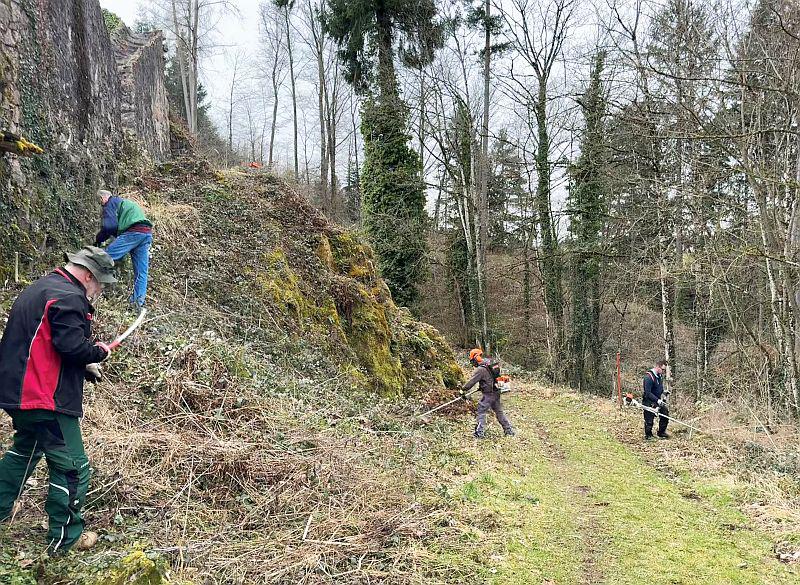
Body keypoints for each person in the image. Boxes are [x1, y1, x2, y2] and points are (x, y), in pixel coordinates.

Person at [0, 246, 116, 555]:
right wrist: (98, 353)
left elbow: (45, 343)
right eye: (100, 284)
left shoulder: (40, 288)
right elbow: (72, 347)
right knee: (73, 467)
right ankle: (65, 539)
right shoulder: (69, 297)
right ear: (89, 275)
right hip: (44, 399)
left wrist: (84, 364)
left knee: (24, 452)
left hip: (17, 395)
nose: (99, 290)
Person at [95, 189, 153, 309]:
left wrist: (98, 239)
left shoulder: (110, 203)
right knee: (141, 272)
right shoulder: (124, 203)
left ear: (103, 198)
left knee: (104, 257)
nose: (101, 205)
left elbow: (109, 226)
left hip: (134, 232)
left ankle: (81, 282)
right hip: (146, 233)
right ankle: (137, 303)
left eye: (100, 202)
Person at [462, 348, 515, 439]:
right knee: (499, 412)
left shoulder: (480, 369)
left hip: (488, 394)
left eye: (472, 360)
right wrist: (482, 386)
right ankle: (509, 431)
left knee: (481, 411)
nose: (472, 363)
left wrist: (462, 390)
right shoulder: (489, 364)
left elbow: (471, 382)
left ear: (476, 358)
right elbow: (489, 379)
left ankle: (479, 433)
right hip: (496, 392)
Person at [643, 358, 670, 440]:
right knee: (649, 419)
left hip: (657, 400)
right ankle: (648, 435)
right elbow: (648, 393)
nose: (663, 372)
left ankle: (661, 432)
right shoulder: (648, 377)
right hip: (648, 400)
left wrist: (664, 392)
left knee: (665, 413)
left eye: (664, 370)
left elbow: (659, 388)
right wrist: (657, 400)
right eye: (662, 369)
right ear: (658, 367)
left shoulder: (660, 376)